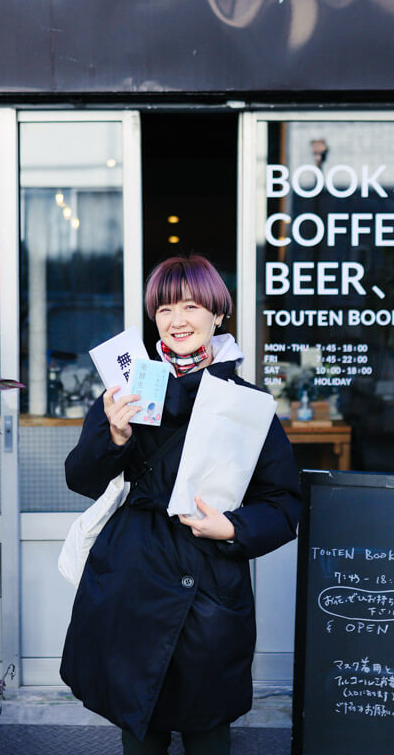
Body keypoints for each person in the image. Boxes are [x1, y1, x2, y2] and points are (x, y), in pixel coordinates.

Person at [62, 255, 301, 755]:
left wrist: (233, 529)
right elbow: (80, 478)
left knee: (207, 728)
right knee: (139, 728)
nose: (177, 320)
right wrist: (115, 434)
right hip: (133, 574)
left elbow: (283, 504)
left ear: (217, 315)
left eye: (191, 306)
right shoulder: (127, 391)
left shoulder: (247, 401)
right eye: (165, 308)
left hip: (211, 582)